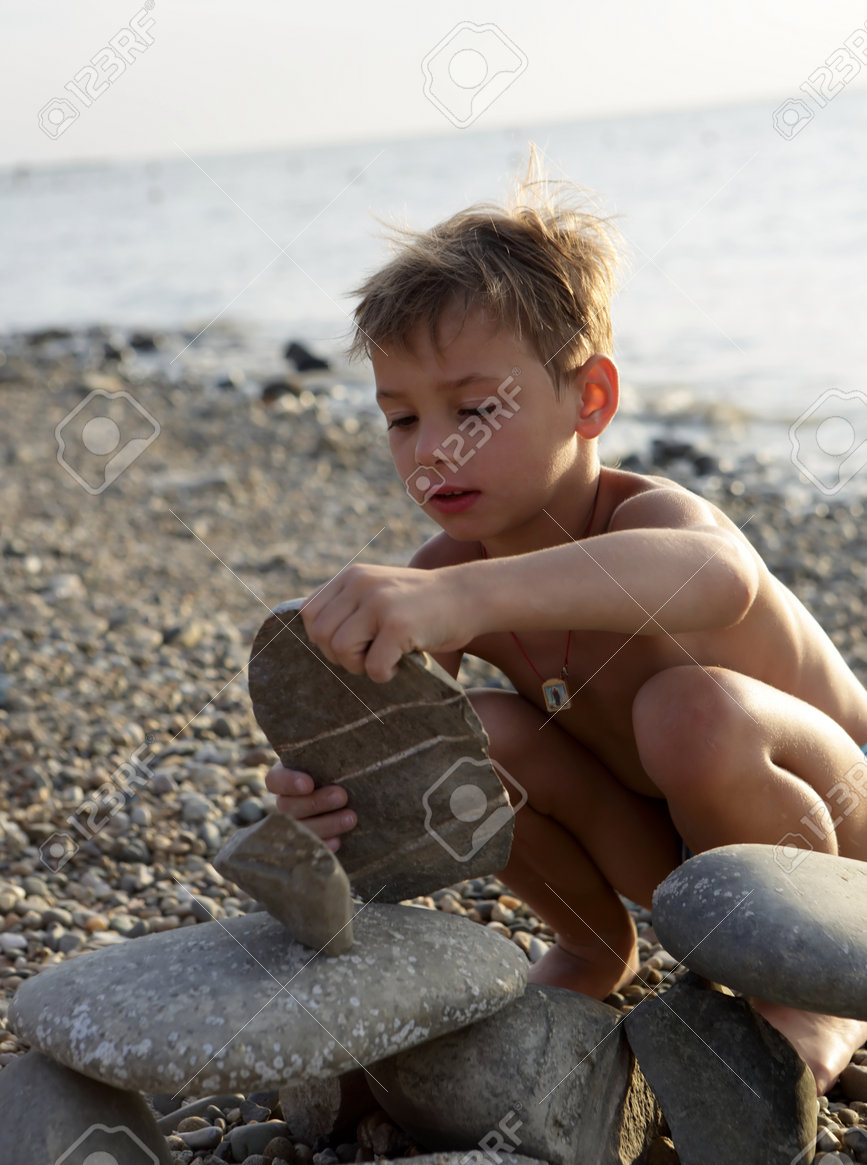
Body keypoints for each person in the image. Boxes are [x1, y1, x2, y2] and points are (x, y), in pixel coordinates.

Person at [265, 166, 867, 1095]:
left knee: (688, 707)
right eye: (400, 418)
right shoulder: (447, 573)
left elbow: (720, 581)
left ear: (589, 401)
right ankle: (593, 948)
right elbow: (383, 751)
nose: (433, 449)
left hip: (845, 843)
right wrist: (319, 799)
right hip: (682, 866)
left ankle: (814, 986)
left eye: (474, 409)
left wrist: (464, 602)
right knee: (483, 735)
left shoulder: (647, 520)